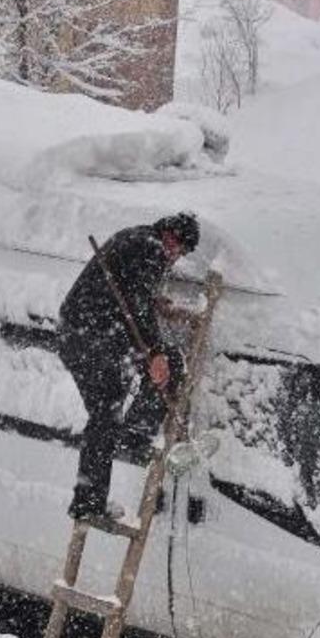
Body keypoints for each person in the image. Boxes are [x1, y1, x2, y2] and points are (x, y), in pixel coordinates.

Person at [57, 212, 201, 523]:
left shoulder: (136, 237)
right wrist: (156, 352)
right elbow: (135, 303)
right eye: (181, 251)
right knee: (109, 413)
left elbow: (132, 292)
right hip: (93, 338)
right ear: (172, 238)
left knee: (107, 413)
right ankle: (95, 491)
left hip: (86, 334)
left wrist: (154, 304)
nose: (176, 259)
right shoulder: (151, 248)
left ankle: (97, 484)